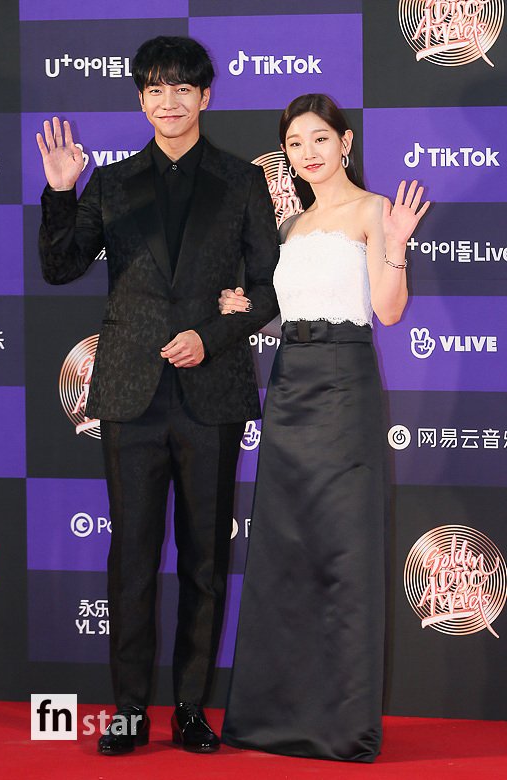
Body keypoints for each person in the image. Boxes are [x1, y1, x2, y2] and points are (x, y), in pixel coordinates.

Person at [37, 35, 279, 755]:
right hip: (131, 394)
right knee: (132, 557)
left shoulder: (241, 181)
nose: (168, 101)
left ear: (206, 97)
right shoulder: (110, 183)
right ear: (140, 98)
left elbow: (270, 287)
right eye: (154, 88)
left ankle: (192, 711)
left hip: (212, 389)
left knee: (205, 559)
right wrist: (59, 191)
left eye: (182, 88)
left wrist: (213, 335)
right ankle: (131, 710)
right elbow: (59, 268)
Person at [219, 93, 430, 762]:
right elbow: (295, 311)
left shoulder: (373, 211)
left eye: (319, 138)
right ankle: (272, 717)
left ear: (345, 141)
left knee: (343, 552)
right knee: (286, 554)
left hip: (343, 388)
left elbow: (388, 312)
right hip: (288, 388)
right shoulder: (292, 229)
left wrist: (394, 248)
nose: (307, 152)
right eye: (295, 143)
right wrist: (245, 307)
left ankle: (341, 726)